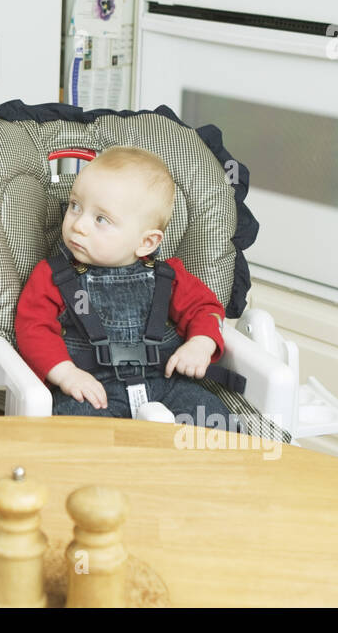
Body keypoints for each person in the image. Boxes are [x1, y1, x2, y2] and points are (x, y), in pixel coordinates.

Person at [14, 146, 244, 427]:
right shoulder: (54, 277)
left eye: (101, 219)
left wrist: (201, 343)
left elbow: (205, 309)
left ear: (146, 242)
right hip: (93, 387)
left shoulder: (167, 277)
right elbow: (32, 329)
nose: (78, 225)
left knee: (218, 421)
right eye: (75, 206)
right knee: (73, 427)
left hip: (166, 383)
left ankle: (207, 469)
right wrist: (66, 374)